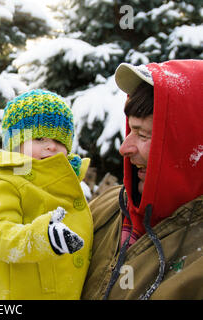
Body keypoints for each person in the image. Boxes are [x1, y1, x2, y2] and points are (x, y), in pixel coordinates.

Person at [81, 59, 203, 299]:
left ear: (189, 145)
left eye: (143, 134)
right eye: (131, 129)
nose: (124, 148)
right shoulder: (108, 207)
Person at [0, 89, 93, 299]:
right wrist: (41, 238)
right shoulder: (6, 181)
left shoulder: (70, 182)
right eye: (40, 138)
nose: (51, 146)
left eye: (59, 140)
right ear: (16, 143)